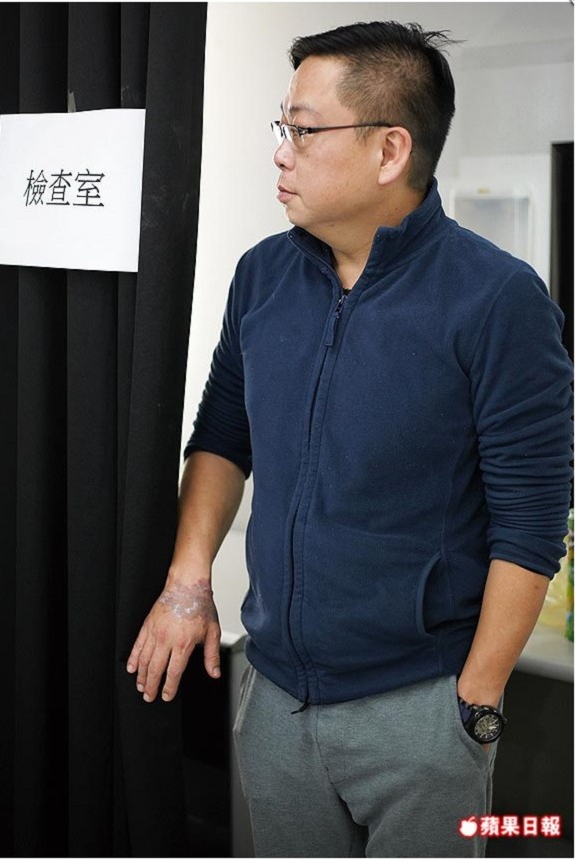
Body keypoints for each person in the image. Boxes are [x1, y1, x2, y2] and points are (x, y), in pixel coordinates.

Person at [126, 21, 573, 858]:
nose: (281, 152)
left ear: (390, 149)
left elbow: (530, 523)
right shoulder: (263, 274)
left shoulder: (497, 300)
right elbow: (221, 436)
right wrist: (188, 582)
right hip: (275, 693)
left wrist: (473, 704)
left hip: (420, 711)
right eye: (282, 127)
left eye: (303, 129)